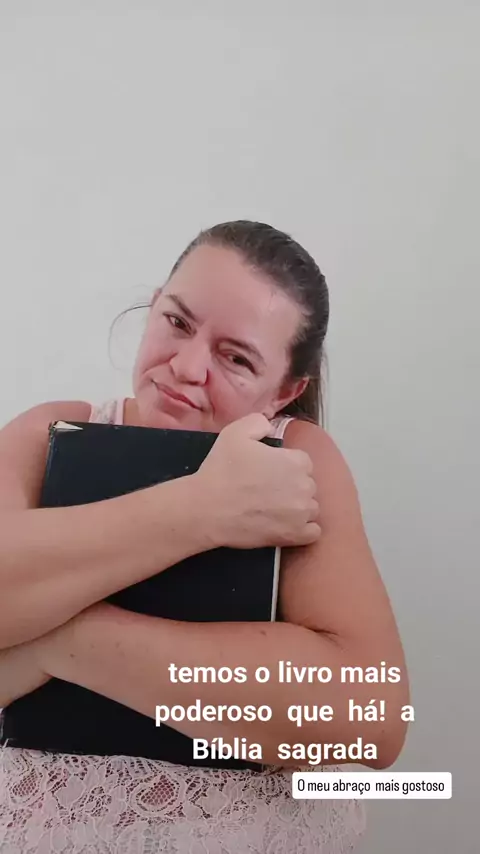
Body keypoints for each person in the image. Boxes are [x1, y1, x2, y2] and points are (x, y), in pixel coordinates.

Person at [0, 220, 409, 853]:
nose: (186, 367)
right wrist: (200, 509)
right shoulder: (49, 433)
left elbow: (368, 718)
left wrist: (53, 641)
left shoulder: (298, 463)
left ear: (287, 391)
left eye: (236, 358)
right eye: (177, 321)